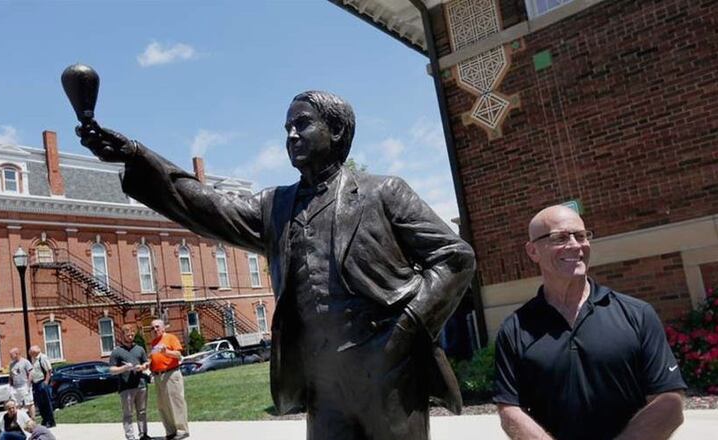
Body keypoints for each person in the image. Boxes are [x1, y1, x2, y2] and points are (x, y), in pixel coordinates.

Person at [76, 90, 475, 440]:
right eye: (287, 127)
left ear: (336, 131)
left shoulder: (382, 194)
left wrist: (404, 330)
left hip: (388, 376)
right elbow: (208, 205)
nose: (291, 135)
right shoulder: (277, 207)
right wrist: (136, 156)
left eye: (302, 124)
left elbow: (454, 258)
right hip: (324, 385)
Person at [494, 205, 687, 440]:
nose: (576, 245)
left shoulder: (637, 314)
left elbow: (670, 403)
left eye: (581, 235)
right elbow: (510, 410)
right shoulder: (515, 329)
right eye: (560, 237)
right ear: (533, 251)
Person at [109, 323, 151, 440]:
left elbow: (147, 363)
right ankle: (130, 437)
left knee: (142, 411)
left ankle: (143, 434)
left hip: (141, 385)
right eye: (127, 333)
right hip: (126, 388)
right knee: (128, 414)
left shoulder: (139, 349)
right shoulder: (117, 352)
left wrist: (143, 367)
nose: (130, 335)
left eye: (132, 333)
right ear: (122, 335)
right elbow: (112, 370)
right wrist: (124, 368)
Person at [147, 319, 188, 440]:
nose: (155, 330)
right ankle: (170, 431)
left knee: (176, 402)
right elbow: (154, 358)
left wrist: (167, 351)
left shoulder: (171, 338)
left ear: (163, 327)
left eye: (157, 327)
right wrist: (147, 365)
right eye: (152, 328)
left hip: (171, 374)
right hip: (158, 376)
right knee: (163, 405)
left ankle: (182, 430)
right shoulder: (154, 342)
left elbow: (178, 355)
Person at [28, 346, 55, 428]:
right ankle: (45, 419)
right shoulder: (34, 359)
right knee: (40, 403)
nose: (30, 354)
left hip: (42, 382)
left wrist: (46, 382)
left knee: (46, 402)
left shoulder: (42, 358)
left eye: (31, 352)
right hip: (36, 384)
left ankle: (50, 421)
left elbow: (49, 370)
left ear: (34, 352)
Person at [8, 348, 34, 419]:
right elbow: (10, 376)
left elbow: (30, 373)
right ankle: (19, 420)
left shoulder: (25, 362)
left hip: (24, 385)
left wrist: (28, 385)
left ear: (16, 354)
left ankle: (33, 419)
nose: (10, 356)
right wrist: (10, 386)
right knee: (16, 405)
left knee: (29, 403)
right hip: (15, 387)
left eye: (11, 355)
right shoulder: (11, 364)